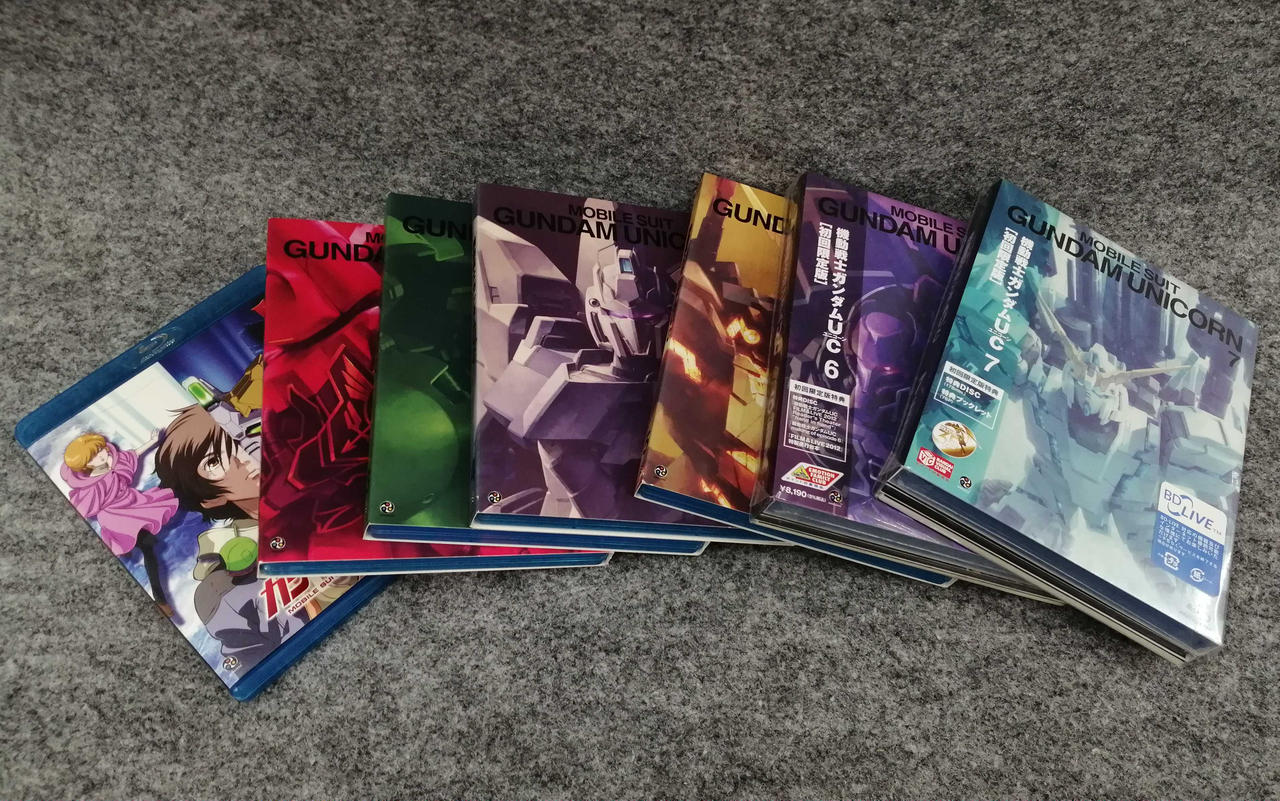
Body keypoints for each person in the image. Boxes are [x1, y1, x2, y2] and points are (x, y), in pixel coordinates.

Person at [61, 431, 178, 616]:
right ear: (86, 464)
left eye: (100, 449)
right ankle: (160, 600)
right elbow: (82, 507)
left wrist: (152, 441)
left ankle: (158, 596)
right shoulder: (91, 486)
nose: (101, 455)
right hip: (115, 518)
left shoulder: (114, 463)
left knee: (149, 544)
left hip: (133, 504)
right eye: (93, 456)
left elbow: (133, 454)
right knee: (148, 548)